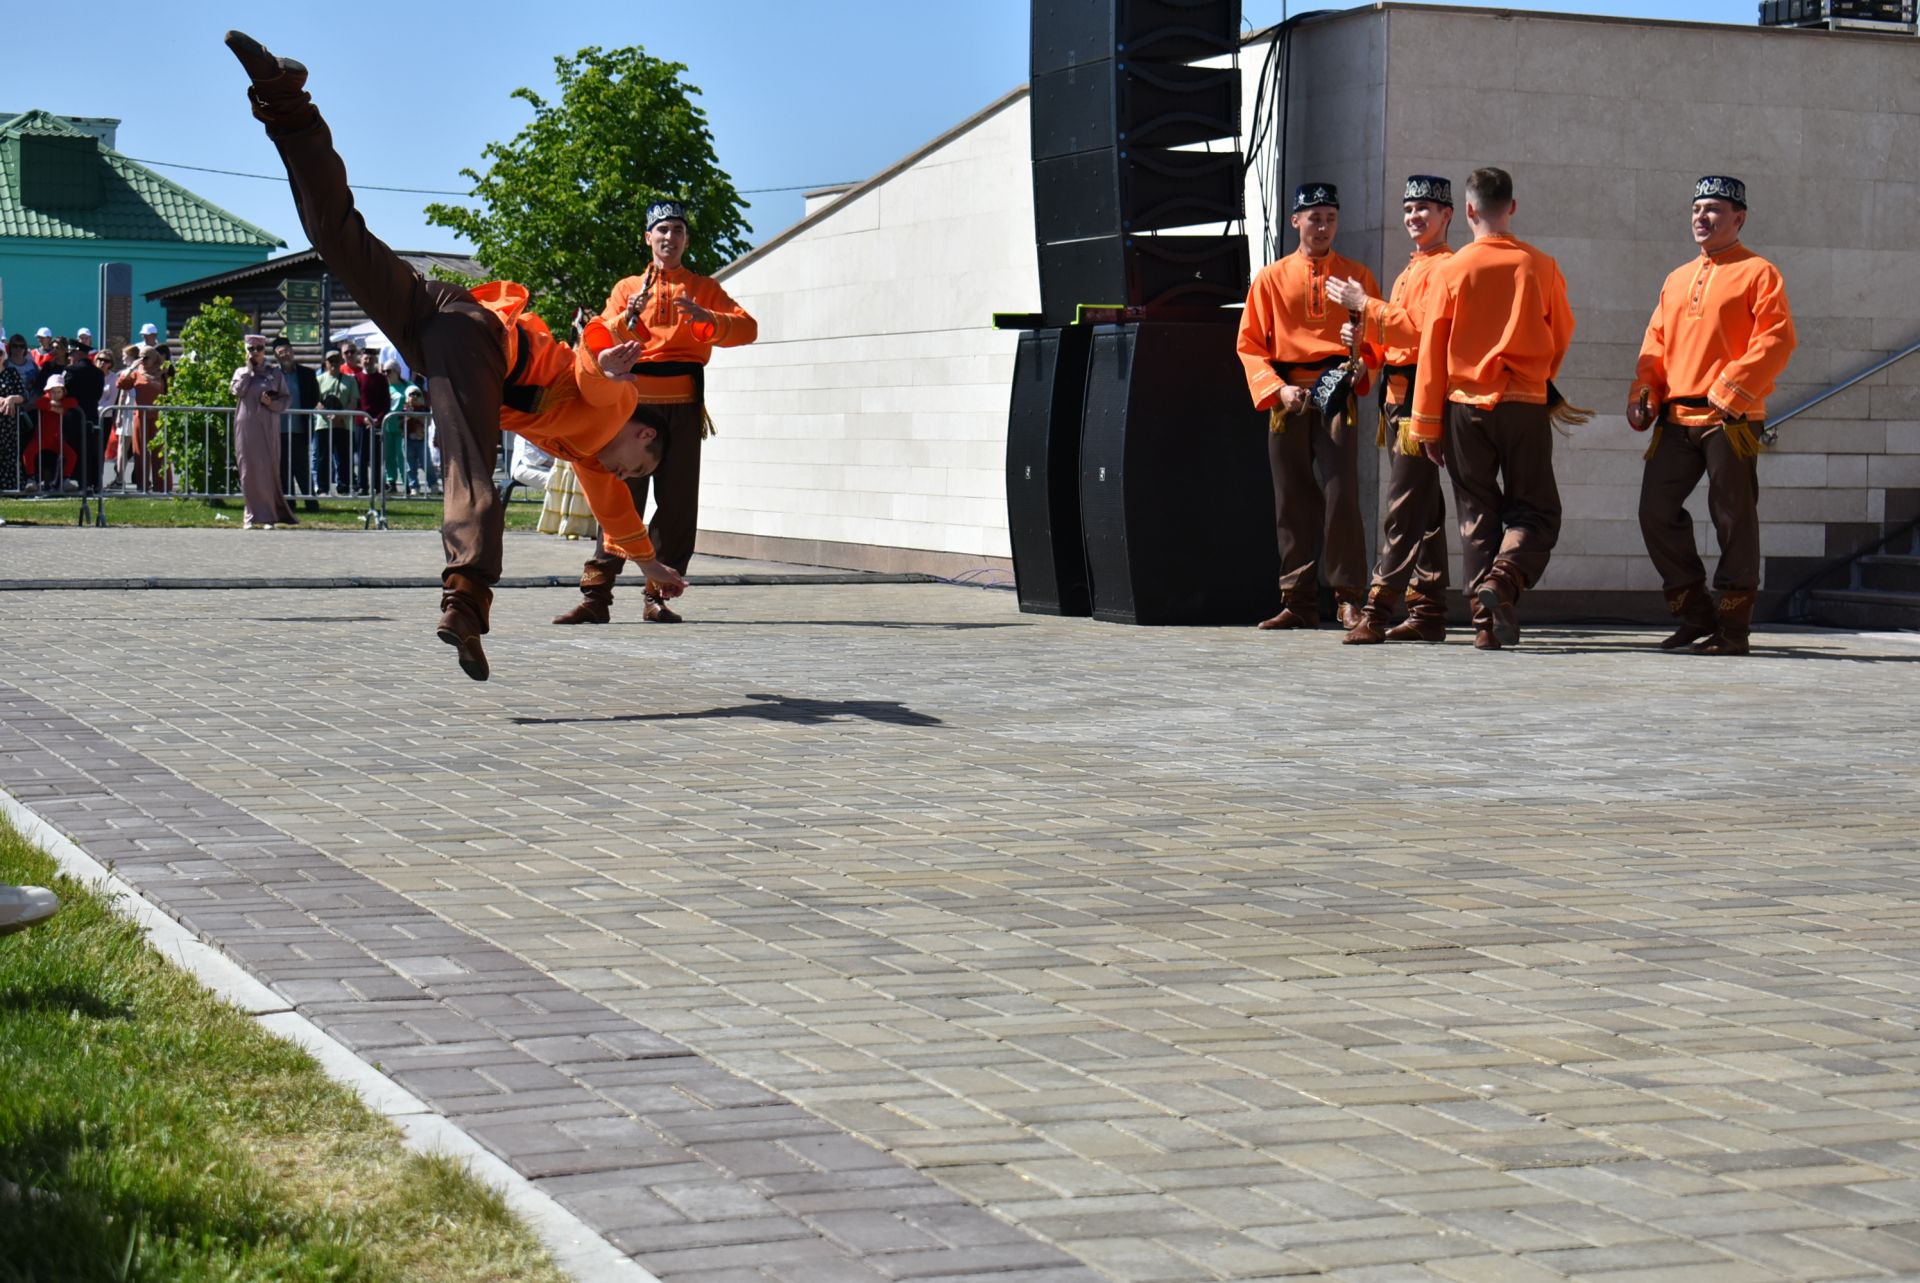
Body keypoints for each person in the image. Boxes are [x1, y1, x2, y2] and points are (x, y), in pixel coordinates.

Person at [225, 28, 685, 680]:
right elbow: (595, 371)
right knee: (469, 463)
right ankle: (465, 603)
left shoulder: (591, 460)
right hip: (475, 338)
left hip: (432, 315)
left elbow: (620, 519)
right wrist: (604, 360)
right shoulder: (620, 407)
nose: (627, 469)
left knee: (337, 236)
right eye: (639, 460)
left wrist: (651, 567)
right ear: (642, 433)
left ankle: (286, 104)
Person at [554, 199, 759, 626]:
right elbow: (600, 341)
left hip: (684, 404)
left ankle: (659, 595)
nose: (670, 237)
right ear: (648, 237)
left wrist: (711, 320)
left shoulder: (703, 288)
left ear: (686, 239)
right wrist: (624, 322)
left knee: (678, 502)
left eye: (678, 230)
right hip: (632, 406)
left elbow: (748, 328)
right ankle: (596, 594)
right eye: (662, 230)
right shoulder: (627, 288)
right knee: (620, 494)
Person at [1408, 167, 1575, 651]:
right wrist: (1538, 378)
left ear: (1468, 210)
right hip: (1523, 401)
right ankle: (1502, 582)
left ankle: (1485, 624)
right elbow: (1560, 334)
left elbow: (1432, 351)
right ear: (1513, 208)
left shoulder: (1451, 270)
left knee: (1475, 515)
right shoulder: (1540, 265)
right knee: (1536, 511)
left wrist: (1428, 425)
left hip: (1464, 407)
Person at [1629, 176, 1796, 658]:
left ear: (1739, 218)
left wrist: (1731, 388)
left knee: (1733, 519)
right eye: (1697, 208)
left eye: (1715, 210)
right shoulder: (1677, 278)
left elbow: (1777, 339)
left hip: (1733, 419)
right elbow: (1653, 345)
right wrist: (1644, 392)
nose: (1702, 217)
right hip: (1676, 418)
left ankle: (1733, 628)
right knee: (1654, 512)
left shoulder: (1760, 272)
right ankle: (1695, 612)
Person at [1235, 183, 1381, 631]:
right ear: (1295, 221)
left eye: (1330, 218)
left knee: (1342, 494)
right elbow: (1250, 344)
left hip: (1335, 392)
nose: (1323, 226)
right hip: (1288, 394)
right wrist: (1277, 390)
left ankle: (1348, 597)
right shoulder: (1270, 279)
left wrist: (1362, 367)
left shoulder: (1356, 276)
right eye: (1314, 217)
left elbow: (1375, 338)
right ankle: (1297, 600)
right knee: (1291, 498)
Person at [1326, 176, 1458, 644]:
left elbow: (1422, 333)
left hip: (1423, 400)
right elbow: (1390, 339)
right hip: (1396, 399)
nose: (1413, 217)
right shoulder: (1410, 270)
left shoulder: (1447, 268)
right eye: (1407, 209)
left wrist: (1367, 306)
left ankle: (1378, 610)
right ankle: (1428, 610)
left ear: (1448, 215)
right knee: (1424, 510)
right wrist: (1361, 345)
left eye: (1423, 208)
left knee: (1403, 509)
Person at [232, 332, 297, 528]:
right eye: (251, 349)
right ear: (246, 351)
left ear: (264, 350)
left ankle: (268, 516)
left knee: (267, 469)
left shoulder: (274, 373)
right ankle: (250, 514)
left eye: (259, 349)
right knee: (247, 469)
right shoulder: (240, 372)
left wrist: (271, 403)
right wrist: (248, 372)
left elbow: (287, 399)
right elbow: (237, 391)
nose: (255, 353)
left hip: (268, 424)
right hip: (246, 425)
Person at [273, 335, 322, 509]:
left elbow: (315, 396)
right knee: (283, 469)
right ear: (276, 356)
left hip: (300, 428)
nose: (285, 355)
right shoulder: (273, 375)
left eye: (287, 351)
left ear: (292, 351)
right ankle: (289, 504)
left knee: (302, 466)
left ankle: (311, 503)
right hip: (279, 429)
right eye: (281, 353)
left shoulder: (307, 374)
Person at [115, 345, 169, 491]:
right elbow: (121, 384)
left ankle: (162, 485)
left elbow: (170, 392)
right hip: (140, 416)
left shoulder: (163, 372)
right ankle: (143, 484)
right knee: (140, 453)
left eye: (147, 357)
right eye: (141, 356)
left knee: (160, 451)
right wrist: (132, 368)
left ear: (154, 358)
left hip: (159, 417)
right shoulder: (136, 373)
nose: (143, 360)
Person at [61, 341, 108, 494]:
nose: (70, 357)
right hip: (91, 416)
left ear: (78, 354)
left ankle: (78, 482)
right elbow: (98, 395)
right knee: (91, 451)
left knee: (75, 451)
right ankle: (93, 483)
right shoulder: (99, 373)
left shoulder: (71, 370)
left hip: (74, 417)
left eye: (72, 354)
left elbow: (64, 392)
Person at [23, 374, 83, 492]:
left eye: (58, 392)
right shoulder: (44, 399)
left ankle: (66, 479)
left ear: (63, 392)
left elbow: (74, 402)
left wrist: (57, 406)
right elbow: (40, 403)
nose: (55, 395)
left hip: (56, 439)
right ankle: (31, 479)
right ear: (48, 391)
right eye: (53, 392)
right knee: (27, 454)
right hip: (40, 437)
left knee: (72, 455)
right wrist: (56, 407)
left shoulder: (65, 400)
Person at [314, 350, 359, 494]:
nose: (333, 363)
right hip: (324, 425)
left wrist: (340, 415)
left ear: (341, 362)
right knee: (322, 458)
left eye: (336, 360)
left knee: (344, 457)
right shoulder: (319, 380)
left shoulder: (350, 380)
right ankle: (322, 487)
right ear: (326, 363)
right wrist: (327, 414)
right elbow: (315, 401)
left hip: (344, 424)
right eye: (330, 361)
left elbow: (353, 401)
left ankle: (344, 486)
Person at [353, 348, 390, 492]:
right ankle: (362, 485)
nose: (368, 361)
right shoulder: (356, 378)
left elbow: (386, 402)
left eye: (371, 358)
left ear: (375, 360)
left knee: (377, 456)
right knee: (362, 456)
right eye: (365, 358)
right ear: (361, 360)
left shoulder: (381, 379)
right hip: (361, 422)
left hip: (377, 422)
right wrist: (364, 419)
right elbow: (355, 402)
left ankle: (377, 485)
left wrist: (378, 419)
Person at [380, 361, 411, 493]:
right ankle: (391, 481)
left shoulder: (407, 386)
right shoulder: (383, 386)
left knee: (401, 454)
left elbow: (417, 399)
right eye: (384, 371)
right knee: (388, 455)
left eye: (389, 371)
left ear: (397, 372)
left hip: (402, 426)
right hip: (387, 426)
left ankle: (408, 483)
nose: (386, 374)